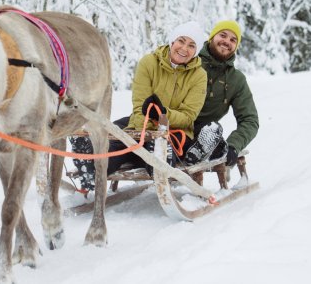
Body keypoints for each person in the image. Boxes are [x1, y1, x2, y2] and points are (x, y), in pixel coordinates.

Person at [70, 21, 208, 190]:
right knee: (119, 148)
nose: (184, 48)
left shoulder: (199, 75)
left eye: (192, 45)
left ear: (196, 51)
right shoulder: (149, 63)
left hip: (175, 131)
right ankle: (91, 167)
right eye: (181, 41)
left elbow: (188, 116)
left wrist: (163, 115)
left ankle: (158, 156)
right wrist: (149, 132)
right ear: (172, 41)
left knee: (160, 149)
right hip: (140, 124)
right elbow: (139, 105)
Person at [186, 20, 259, 167]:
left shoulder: (236, 79)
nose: (227, 42)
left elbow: (250, 120)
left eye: (233, 40)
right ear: (212, 37)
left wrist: (234, 144)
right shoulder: (189, 60)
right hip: (175, 126)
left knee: (214, 132)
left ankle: (201, 150)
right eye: (223, 35)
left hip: (205, 135)